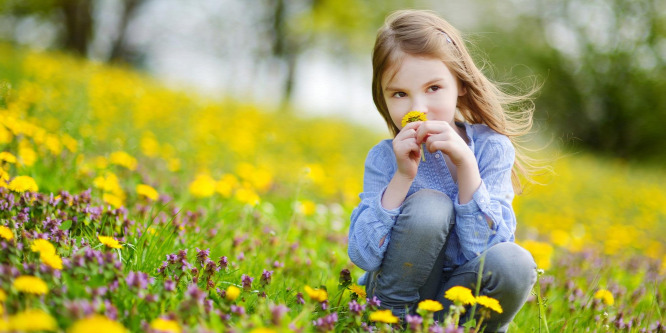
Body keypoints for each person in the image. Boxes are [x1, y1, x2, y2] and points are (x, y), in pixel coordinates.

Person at [347, 9, 538, 331]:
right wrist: (402, 177)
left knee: (515, 262)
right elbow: (363, 255)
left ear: (460, 84)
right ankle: (391, 324)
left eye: (433, 88)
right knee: (430, 204)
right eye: (399, 94)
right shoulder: (384, 158)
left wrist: (466, 166)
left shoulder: (492, 148)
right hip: (398, 298)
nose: (417, 109)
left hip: (460, 301)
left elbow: (487, 249)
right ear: (383, 98)